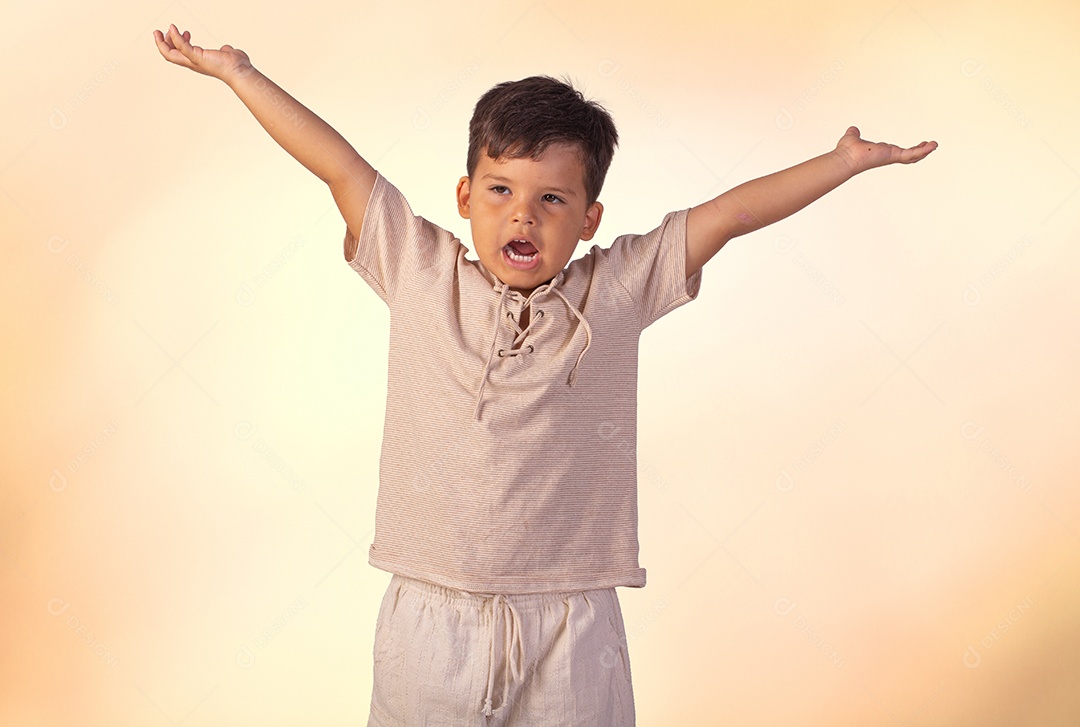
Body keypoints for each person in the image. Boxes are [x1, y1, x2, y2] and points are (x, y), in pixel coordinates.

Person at [154, 24, 937, 726]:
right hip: (433, 614)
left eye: (551, 198)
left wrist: (841, 163)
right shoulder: (419, 269)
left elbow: (727, 215)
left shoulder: (618, 286)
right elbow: (339, 167)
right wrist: (239, 74)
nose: (521, 215)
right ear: (465, 197)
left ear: (589, 218)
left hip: (572, 620)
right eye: (500, 191)